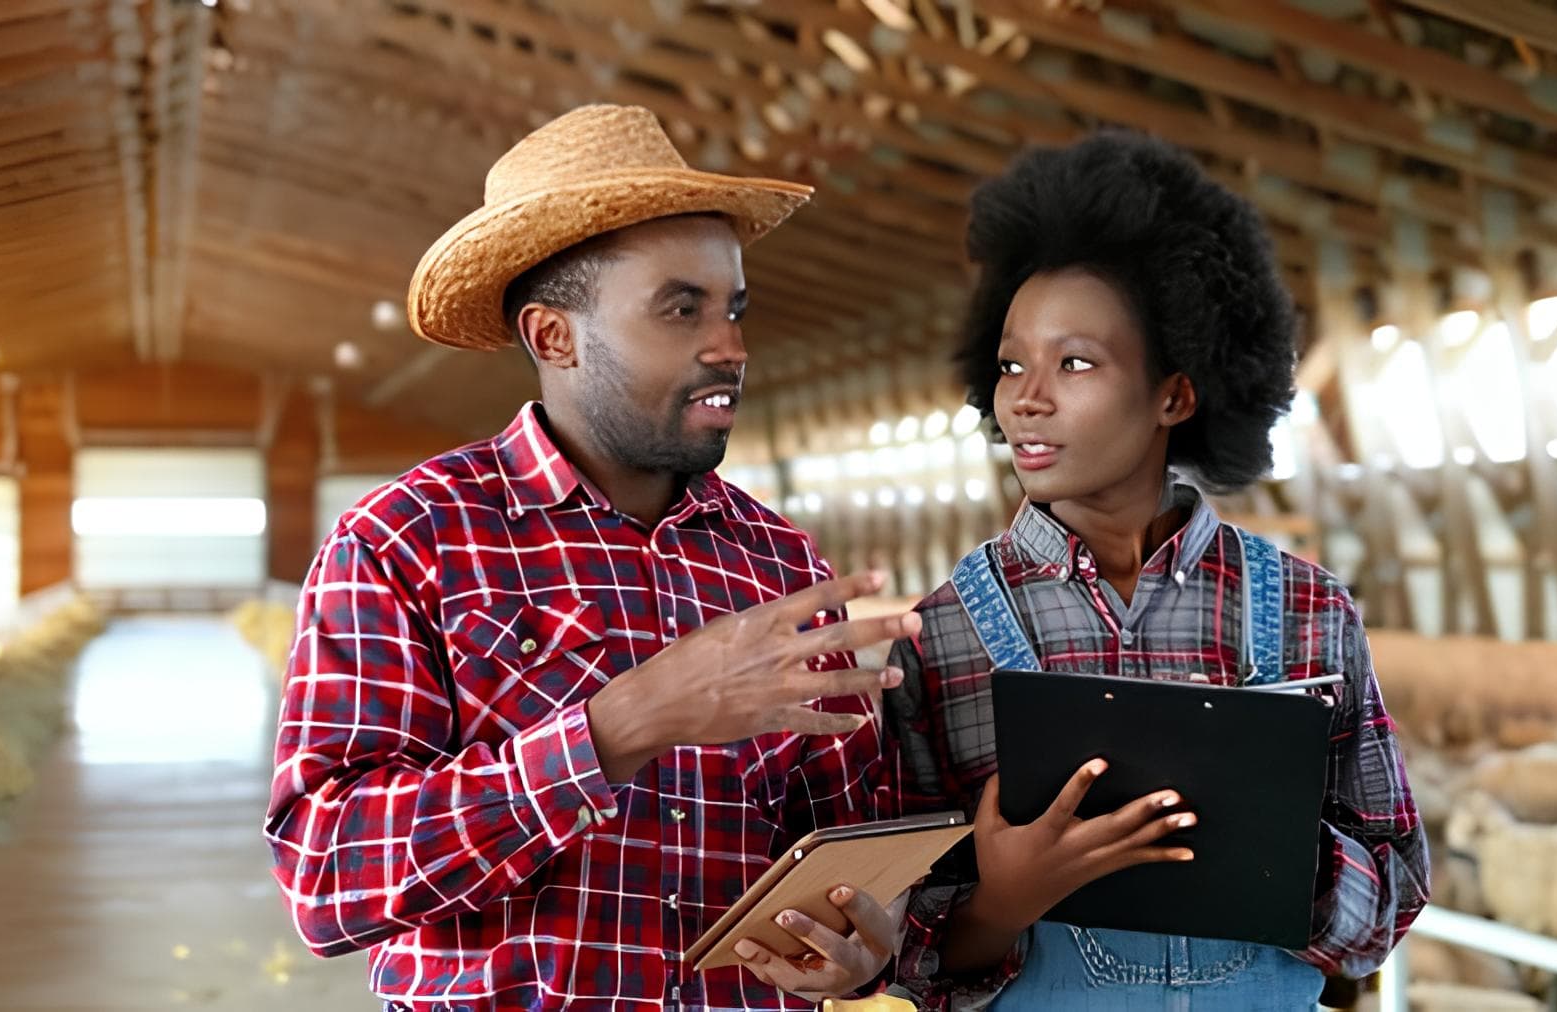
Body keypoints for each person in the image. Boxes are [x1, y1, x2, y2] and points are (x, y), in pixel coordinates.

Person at [264, 104, 922, 1012]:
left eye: (734, 308)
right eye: (680, 309)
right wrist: (621, 727)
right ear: (552, 337)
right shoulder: (409, 539)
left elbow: (848, 846)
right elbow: (327, 876)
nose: (729, 346)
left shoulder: (779, 562)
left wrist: (861, 951)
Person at [883, 130, 1431, 1010]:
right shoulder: (943, 635)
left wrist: (1279, 845)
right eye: (1012, 363)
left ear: (1175, 393)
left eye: (1075, 362)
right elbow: (905, 945)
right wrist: (1003, 901)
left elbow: (1396, 888)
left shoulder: (1305, 608)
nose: (1027, 395)